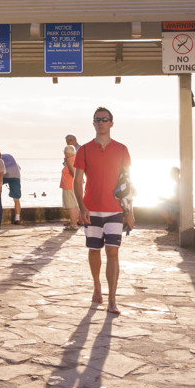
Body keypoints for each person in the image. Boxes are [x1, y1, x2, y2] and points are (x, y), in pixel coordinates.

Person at [74, 106, 132, 316]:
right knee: (94, 251)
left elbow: (127, 183)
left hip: (115, 209)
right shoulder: (84, 150)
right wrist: (82, 208)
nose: (100, 122)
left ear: (111, 123)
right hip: (91, 209)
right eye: (97, 119)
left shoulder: (122, 149)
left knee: (113, 251)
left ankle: (112, 299)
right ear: (93, 123)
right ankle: (97, 286)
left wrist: (130, 211)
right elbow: (77, 181)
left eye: (104, 119)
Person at [0, 151, 22, 225]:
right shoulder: (14, 163)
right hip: (15, 175)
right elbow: (19, 169)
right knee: (16, 199)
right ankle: (17, 218)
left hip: (5, 175)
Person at [60, 145, 78, 229]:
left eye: (64, 152)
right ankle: (74, 223)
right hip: (74, 185)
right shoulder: (76, 158)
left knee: (71, 205)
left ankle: (73, 224)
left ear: (67, 153)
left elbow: (73, 172)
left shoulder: (70, 160)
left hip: (69, 185)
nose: (64, 153)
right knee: (75, 205)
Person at [159, 166, 181, 232]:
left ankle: (172, 223)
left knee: (160, 206)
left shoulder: (180, 183)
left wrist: (165, 199)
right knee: (161, 205)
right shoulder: (177, 183)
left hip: (181, 205)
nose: (170, 175)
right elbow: (177, 197)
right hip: (178, 203)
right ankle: (171, 223)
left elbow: (178, 200)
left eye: (172, 173)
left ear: (177, 173)